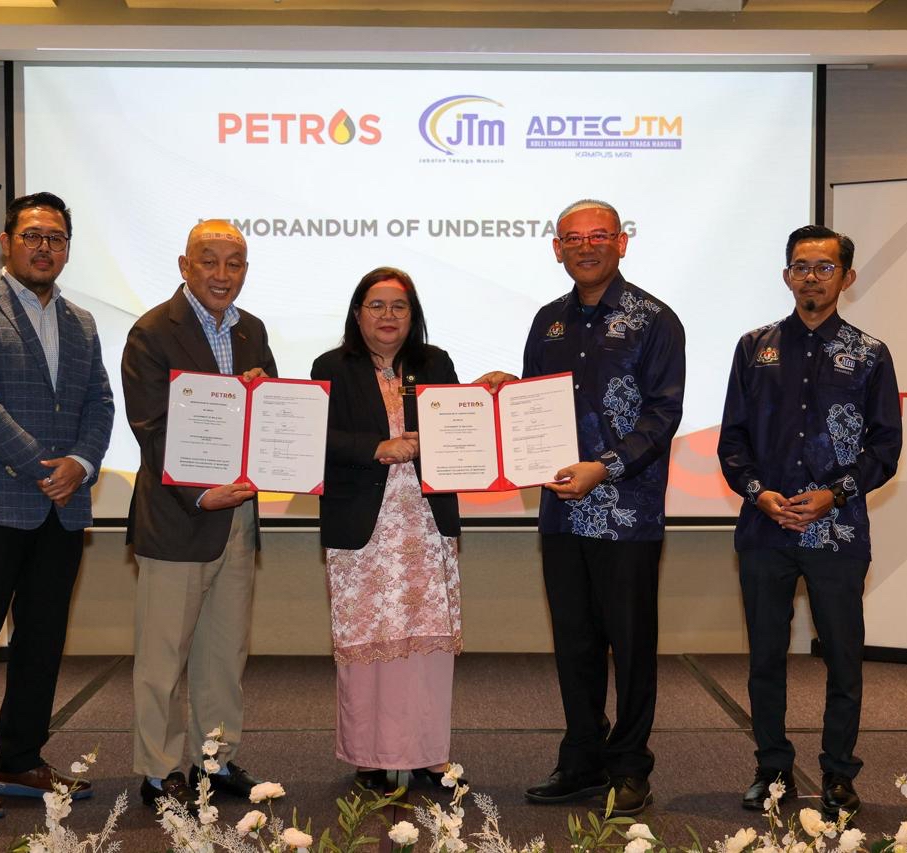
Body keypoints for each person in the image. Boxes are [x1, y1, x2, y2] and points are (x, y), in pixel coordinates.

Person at [481, 199, 685, 813]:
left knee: (632, 645)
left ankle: (630, 766)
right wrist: (506, 393)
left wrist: (606, 467)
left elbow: (663, 415)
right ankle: (583, 759)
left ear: (622, 242)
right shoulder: (548, 321)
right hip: (562, 511)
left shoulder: (655, 320)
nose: (586, 246)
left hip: (627, 512)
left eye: (599, 236)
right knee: (574, 643)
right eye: (574, 238)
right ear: (557, 249)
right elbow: (535, 409)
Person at [0, 191, 114, 817]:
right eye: (33, 235)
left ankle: (19, 758)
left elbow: (99, 402)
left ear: (67, 249)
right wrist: (45, 466)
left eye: (56, 238)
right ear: (6, 243)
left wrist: (82, 464)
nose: (44, 247)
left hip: (62, 507)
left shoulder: (81, 322)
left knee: (42, 638)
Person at [718, 225, 901, 818]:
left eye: (824, 268)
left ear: (847, 277)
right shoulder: (754, 348)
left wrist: (834, 494)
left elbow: (885, 448)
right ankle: (772, 770)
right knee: (765, 659)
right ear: (786, 275)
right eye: (801, 266)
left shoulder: (870, 354)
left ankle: (839, 774)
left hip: (838, 533)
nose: (811, 278)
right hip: (765, 530)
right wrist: (758, 493)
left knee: (843, 659)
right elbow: (732, 441)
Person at [122, 219, 276, 809]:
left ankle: (215, 760)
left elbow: (265, 418)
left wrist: (263, 394)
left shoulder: (252, 330)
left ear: (245, 271)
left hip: (238, 516)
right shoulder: (152, 332)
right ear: (185, 267)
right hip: (179, 517)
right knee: (162, 659)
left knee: (223, 655)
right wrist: (199, 493)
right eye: (208, 261)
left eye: (233, 263)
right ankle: (159, 772)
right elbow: (151, 427)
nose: (221, 274)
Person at [310, 267, 464, 791]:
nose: (388, 315)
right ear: (358, 313)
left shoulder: (435, 363)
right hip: (363, 526)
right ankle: (370, 756)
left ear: (412, 315)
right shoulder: (331, 366)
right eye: (376, 305)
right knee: (367, 641)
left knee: (426, 644)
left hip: (424, 522)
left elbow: (461, 428)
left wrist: (487, 399)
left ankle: (428, 754)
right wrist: (376, 448)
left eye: (399, 306)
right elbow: (316, 436)